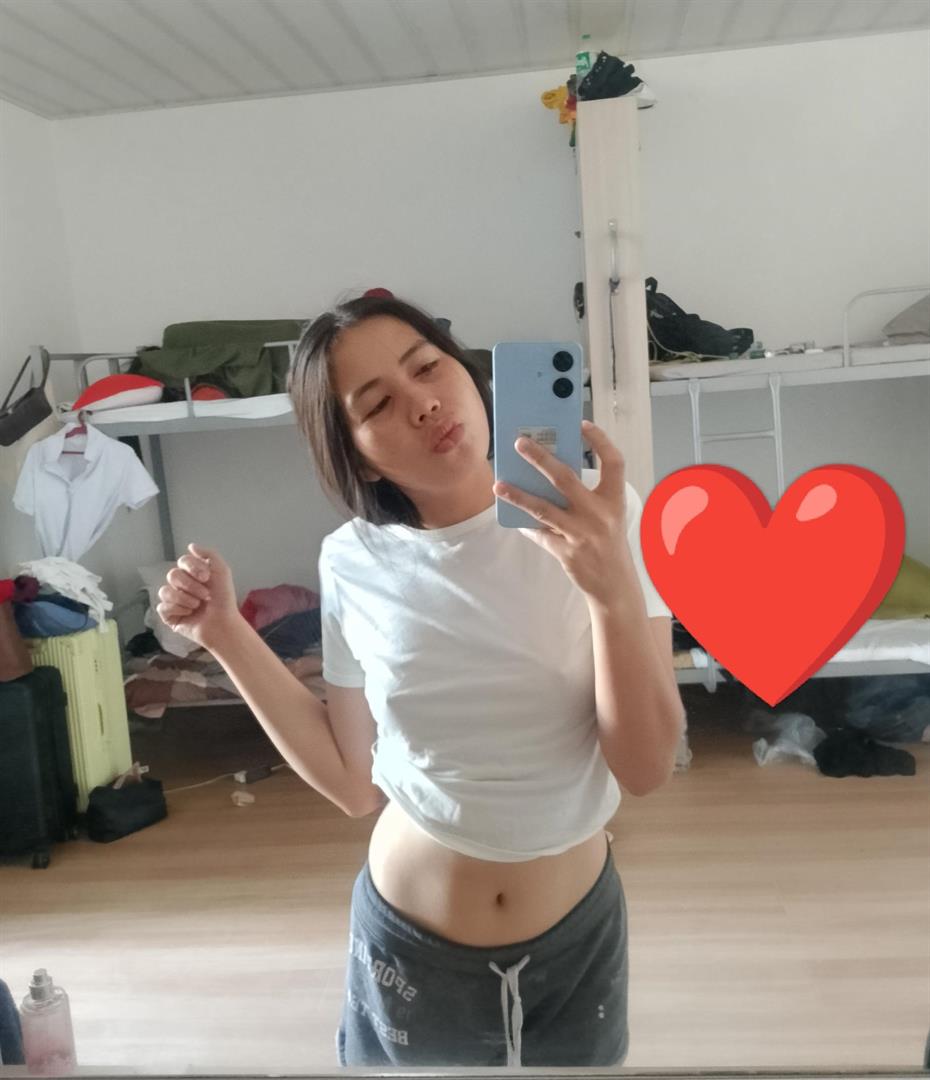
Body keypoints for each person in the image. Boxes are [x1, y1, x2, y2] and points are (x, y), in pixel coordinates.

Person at [156, 294, 685, 1068]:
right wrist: (225, 634)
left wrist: (610, 592)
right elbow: (351, 783)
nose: (424, 403)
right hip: (410, 949)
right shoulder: (352, 560)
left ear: (467, 372)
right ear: (360, 456)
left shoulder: (602, 513)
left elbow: (645, 767)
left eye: (428, 367)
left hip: (576, 940)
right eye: (377, 404)